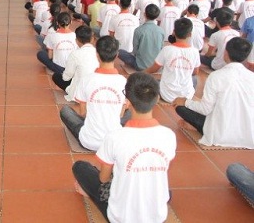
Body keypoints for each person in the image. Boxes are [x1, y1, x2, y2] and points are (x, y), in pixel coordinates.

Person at [72, 72, 176, 222]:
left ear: (127, 102)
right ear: (157, 99)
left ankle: (91, 194)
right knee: (164, 190)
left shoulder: (115, 137)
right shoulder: (169, 136)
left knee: (80, 167)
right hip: (156, 217)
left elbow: (103, 178)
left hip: (120, 217)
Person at [173, 37, 254, 148]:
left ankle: (196, 126)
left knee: (180, 107)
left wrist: (185, 102)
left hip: (219, 133)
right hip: (247, 133)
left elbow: (205, 109)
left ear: (226, 53)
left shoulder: (216, 76)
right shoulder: (252, 77)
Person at [59, 36, 127, 151]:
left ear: (97, 55)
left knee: (65, 111)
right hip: (113, 142)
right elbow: (120, 114)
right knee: (129, 112)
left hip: (89, 141)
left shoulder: (86, 80)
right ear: (116, 55)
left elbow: (83, 112)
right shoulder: (123, 81)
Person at [145, 18, 200, 103]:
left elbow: (154, 69)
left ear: (174, 32)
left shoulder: (167, 49)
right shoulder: (195, 52)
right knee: (195, 79)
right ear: (190, 34)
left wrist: (142, 73)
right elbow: (195, 72)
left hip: (166, 95)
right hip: (186, 96)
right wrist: (183, 70)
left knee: (151, 80)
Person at [52, 25, 98, 102]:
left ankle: (69, 90)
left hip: (80, 93)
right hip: (95, 90)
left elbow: (66, 77)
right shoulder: (98, 53)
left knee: (56, 76)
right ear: (92, 39)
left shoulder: (75, 54)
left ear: (76, 40)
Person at [118, 4, 165, 71]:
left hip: (140, 66)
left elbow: (135, 51)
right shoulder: (161, 31)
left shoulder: (138, 30)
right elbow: (161, 49)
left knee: (120, 52)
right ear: (157, 16)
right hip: (156, 67)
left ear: (144, 14)